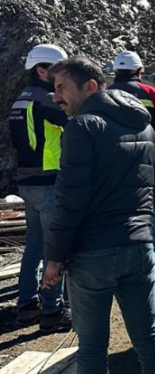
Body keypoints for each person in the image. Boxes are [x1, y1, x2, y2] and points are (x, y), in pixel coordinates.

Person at [44, 57, 155, 374]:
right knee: (150, 339)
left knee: (91, 349)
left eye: (62, 87)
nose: (56, 96)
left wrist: (55, 258)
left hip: (93, 254)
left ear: (89, 86)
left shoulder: (81, 127)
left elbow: (70, 201)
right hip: (139, 247)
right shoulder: (144, 125)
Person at [9, 44, 71, 331]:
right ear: (41, 70)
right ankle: (52, 311)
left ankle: (27, 306)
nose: (60, 79)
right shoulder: (47, 99)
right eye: (56, 71)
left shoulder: (21, 99)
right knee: (53, 250)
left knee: (33, 246)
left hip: (27, 181)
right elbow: (73, 122)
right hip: (48, 180)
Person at [109, 51, 155, 277]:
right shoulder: (151, 93)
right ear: (140, 72)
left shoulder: (103, 96)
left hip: (115, 166)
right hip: (152, 163)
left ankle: (121, 263)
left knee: (119, 212)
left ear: (115, 72)